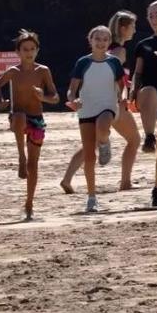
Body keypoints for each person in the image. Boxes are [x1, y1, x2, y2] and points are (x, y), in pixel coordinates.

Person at [60, 10, 140, 193]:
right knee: (134, 140)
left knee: (92, 144)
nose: (135, 30)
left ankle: (67, 179)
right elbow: (116, 79)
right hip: (112, 103)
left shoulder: (108, 51)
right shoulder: (119, 51)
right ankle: (125, 182)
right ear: (123, 28)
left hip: (101, 103)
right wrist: (124, 96)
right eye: (133, 26)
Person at [0, 30, 60, 219]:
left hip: (36, 118)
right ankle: (21, 156)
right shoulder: (13, 72)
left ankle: (29, 202)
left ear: (37, 50)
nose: (29, 53)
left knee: (34, 164)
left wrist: (43, 97)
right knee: (20, 117)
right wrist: (0, 101)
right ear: (18, 52)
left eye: (32, 49)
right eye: (25, 49)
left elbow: (55, 97)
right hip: (17, 117)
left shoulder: (43, 71)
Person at [66, 25, 126, 212]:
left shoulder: (114, 62)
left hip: (108, 106)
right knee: (89, 157)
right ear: (90, 40)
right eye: (97, 39)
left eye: (105, 39)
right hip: (86, 110)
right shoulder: (82, 62)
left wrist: (123, 97)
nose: (101, 42)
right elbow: (72, 89)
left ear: (109, 42)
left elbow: (122, 85)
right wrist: (73, 100)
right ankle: (92, 198)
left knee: (103, 124)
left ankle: (104, 142)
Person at [134, 0, 157, 206]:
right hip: (151, 97)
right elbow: (138, 74)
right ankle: (149, 136)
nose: (154, 19)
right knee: (148, 90)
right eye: (150, 15)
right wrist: (131, 94)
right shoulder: (143, 45)